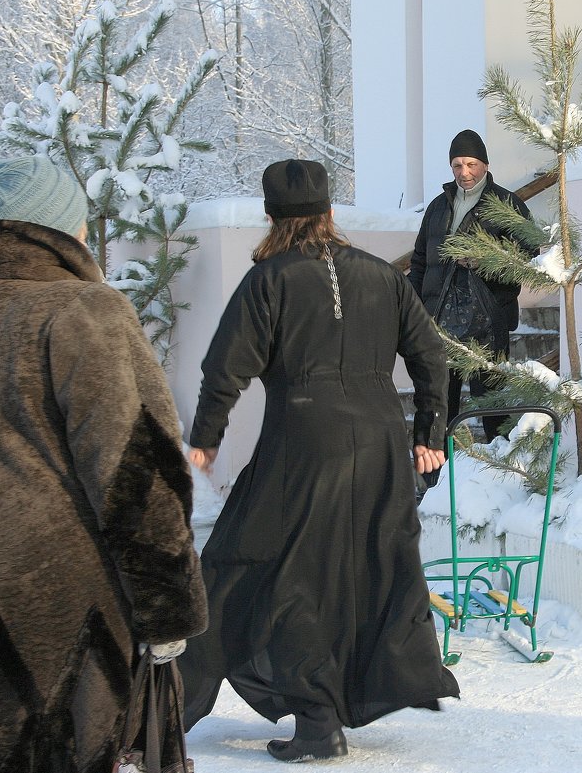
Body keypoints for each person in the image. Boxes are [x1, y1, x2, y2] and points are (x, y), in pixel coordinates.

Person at [0, 156, 208, 772]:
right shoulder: (85, 311)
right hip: (62, 619)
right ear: (59, 233)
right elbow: (135, 469)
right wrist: (166, 606)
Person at [180, 159, 459, 763]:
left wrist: (205, 437)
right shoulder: (382, 275)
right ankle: (325, 714)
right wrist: (428, 431)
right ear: (331, 214)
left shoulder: (269, 280)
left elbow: (225, 367)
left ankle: (310, 718)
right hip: (382, 444)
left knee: (253, 568)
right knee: (360, 571)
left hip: (303, 443)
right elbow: (431, 357)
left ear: (272, 218)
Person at [407, 128, 532, 444]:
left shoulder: (506, 204)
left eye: (471, 164)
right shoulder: (438, 207)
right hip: (439, 320)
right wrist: (414, 308)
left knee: (491, 400)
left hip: (488, 320)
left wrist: (486, 262)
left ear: (485, 166)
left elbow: (529, 255)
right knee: (438, 401)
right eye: (458, 165)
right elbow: (421, 260)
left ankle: (500, 464)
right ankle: (440, 470)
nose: (464, 172)